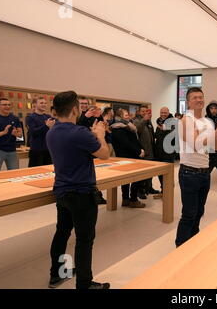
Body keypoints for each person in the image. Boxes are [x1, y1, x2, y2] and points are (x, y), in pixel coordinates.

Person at [46, 91, 110, 289]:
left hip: (62, 192)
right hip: (82, 193)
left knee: (62, 232)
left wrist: (91, 135)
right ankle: (84, 283)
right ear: (75, 109)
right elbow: (104, 154)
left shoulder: (52, 132)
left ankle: (56, 274)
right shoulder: (80, 133)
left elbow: (76, 147)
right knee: (84, 240)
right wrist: (99, 134)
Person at [175, 87, 217, 247]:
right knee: (189, 214)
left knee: (199, 212)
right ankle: (180, 247)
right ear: (188, 102)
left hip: (204, 172)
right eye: (194, 97)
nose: (199, 100)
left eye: (201, 97)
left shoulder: (207, 122)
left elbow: (215, 145)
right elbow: (195, 145)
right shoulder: (186, 121)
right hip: (189, 173)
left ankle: (193, 242)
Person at [111, 109, 145, 208]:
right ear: (120, 116)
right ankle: (132, 199)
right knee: (132, 179)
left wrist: (141, 148)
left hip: (132, 156)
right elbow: (126, 144)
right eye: (126, 115)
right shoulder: (117, 128)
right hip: (127, 157)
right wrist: (138, 151)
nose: (128, 116)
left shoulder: (128, 126)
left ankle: (126, 199)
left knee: (130, 179)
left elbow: (134, 140)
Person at [133, 105, 160, 199]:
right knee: (142, 173)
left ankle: (149, 187)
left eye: (146, 111)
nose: (145, 113)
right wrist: (144, 120)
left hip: (150, 150)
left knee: (150, 172)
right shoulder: (136, 121)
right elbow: (137, 130)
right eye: (143, 111)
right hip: (143, 151)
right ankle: (140, 191)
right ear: (139, 112)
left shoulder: (148, 121)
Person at [0, 98, 23, 171]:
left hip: (12, 151)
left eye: (9, 105)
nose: (7, 106)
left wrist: (16, 134)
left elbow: (20, 135)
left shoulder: (15, 118)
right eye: (4, 105)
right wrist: (3, 132)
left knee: (14, 174)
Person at [25, 96, 55, 167]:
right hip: (36, 151)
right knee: (35, 173)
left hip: (48, 149)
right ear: (34, 105)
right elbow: (33, 132)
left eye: (45, 103)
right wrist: (46, 126)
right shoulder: (30, 117)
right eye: (41, 103)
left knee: (48, 172)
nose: (44, 105)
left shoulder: (48, 117)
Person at [154, 107, 176, 198]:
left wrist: (164, 129)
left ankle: (167, 193)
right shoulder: (159, 123)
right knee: (160, 173)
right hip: (159, 153)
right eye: (161, 112)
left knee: (168, 174)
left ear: (168, 113)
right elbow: (158, 136)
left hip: (168, 153)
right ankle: (163, 191)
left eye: (165, 112)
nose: (163, 114)